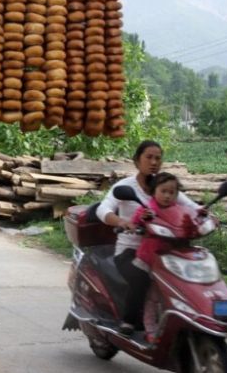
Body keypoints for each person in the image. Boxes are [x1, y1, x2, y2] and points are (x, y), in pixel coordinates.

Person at [96, 141, 198, 336]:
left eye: (158, 158)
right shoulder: (125, 186)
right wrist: (121, 222)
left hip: (162, 249)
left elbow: (189, 205)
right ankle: (129, 321)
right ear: (137, 160)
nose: (153, 162)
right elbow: (103, 209)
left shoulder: (164, 186)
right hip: (130, 251)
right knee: (141, 277)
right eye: (148, 157)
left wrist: (206, 216)